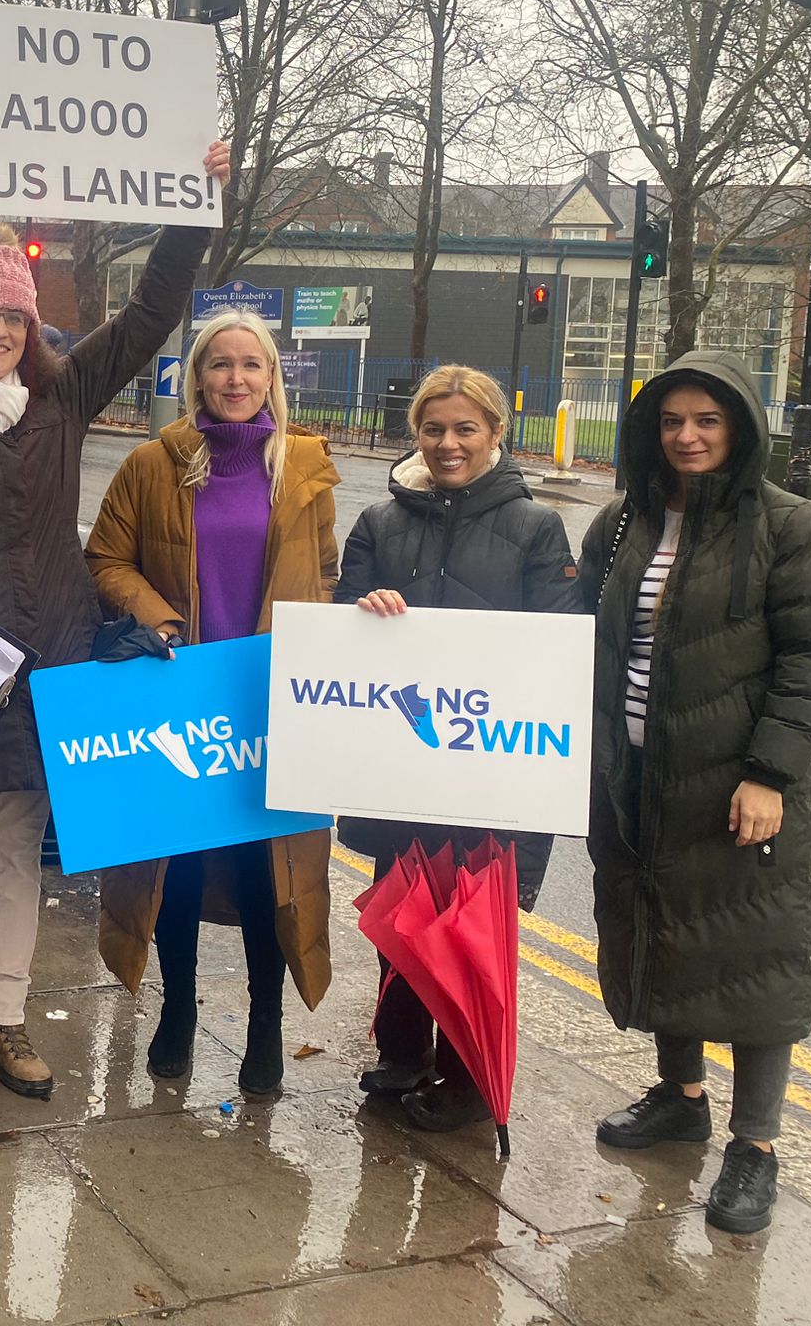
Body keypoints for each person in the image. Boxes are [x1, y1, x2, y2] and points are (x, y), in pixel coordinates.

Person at [0, 139, 230, 1101]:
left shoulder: (64, 395)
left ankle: (4, 1012)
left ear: (31, 327)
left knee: (21, 845)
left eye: (10, 316)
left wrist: (191, 205)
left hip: (52, 659)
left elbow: (154, 313)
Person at [580, 350, 811, 1236]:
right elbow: (571, 629)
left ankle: (756, 1145)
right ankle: (680, 1096)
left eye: (707, 420)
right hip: (633, 777)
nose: (687, 436)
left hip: (735, 786)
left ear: (737, 427)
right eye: (671, 422)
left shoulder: (788, 526)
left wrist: (770, 773)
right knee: (664, 935)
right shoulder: (621, 523)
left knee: (756, 956)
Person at [85, 307, 339, 1094]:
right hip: (182, 696)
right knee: (180, 868)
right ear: (197, 377)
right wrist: (158, 618)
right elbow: (106, 558)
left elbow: (326, 578)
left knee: (269, 874)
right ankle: (180, 1010)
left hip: (270, 704)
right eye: (220, 364)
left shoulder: (304, 469)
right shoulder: (154, 465)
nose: (236, 379)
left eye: (251, 364)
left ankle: (267, 1022)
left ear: (272, 377)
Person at [332, 365, 585, 1128]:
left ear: (496, 434)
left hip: (489, 766)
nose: (449, 444)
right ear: (417, 434)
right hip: (402, 758)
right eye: (434, 429)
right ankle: (403, 1051)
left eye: (465, 429)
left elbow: (559, 647)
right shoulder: (379, 523)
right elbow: (341, 629)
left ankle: (471, 1078)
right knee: (403, 907)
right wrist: (362, 611)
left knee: (471, 926)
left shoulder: (536, 528)